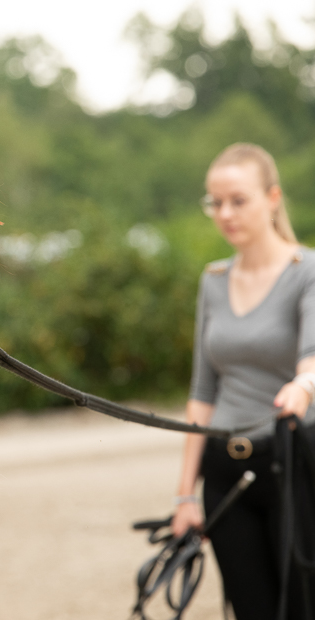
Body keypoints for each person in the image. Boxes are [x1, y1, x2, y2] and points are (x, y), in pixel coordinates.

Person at [171, 143, 315, 619]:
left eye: (238, 200)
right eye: (215, 202)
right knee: (249, 608)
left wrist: (304, 386)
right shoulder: (212, 280)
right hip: (225, 473)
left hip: (293, 463)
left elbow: (313, 359)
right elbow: (202, 393)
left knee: (300, 605)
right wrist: (186, 494)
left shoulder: (306, 272)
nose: (225, 213)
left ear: (272, 198)